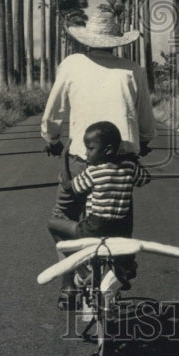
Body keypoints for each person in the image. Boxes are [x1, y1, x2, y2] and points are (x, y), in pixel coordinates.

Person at [41, 9, 155, 225]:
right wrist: (144, 140)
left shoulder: (71, 64)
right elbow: (145, 118)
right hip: (121, 162)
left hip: (81, 158)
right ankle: (122, 258)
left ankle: (73, 257)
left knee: (63, 215)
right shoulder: (133, 70)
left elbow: (54, 110)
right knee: (118, 220)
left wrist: (52, 140)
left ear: (87, 41)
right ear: (116, 42)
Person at [48, 121, 150, 307]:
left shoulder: (93, 172)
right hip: (119, 231)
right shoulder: (128, 168)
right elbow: (145, 179)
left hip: (93, 229)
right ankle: (122, 268)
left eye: (90, 149)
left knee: (53, 224)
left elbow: (69, 187)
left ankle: (83, 272)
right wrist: (133, 159)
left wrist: (64, 157)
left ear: (108, 150)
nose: (86, 153)